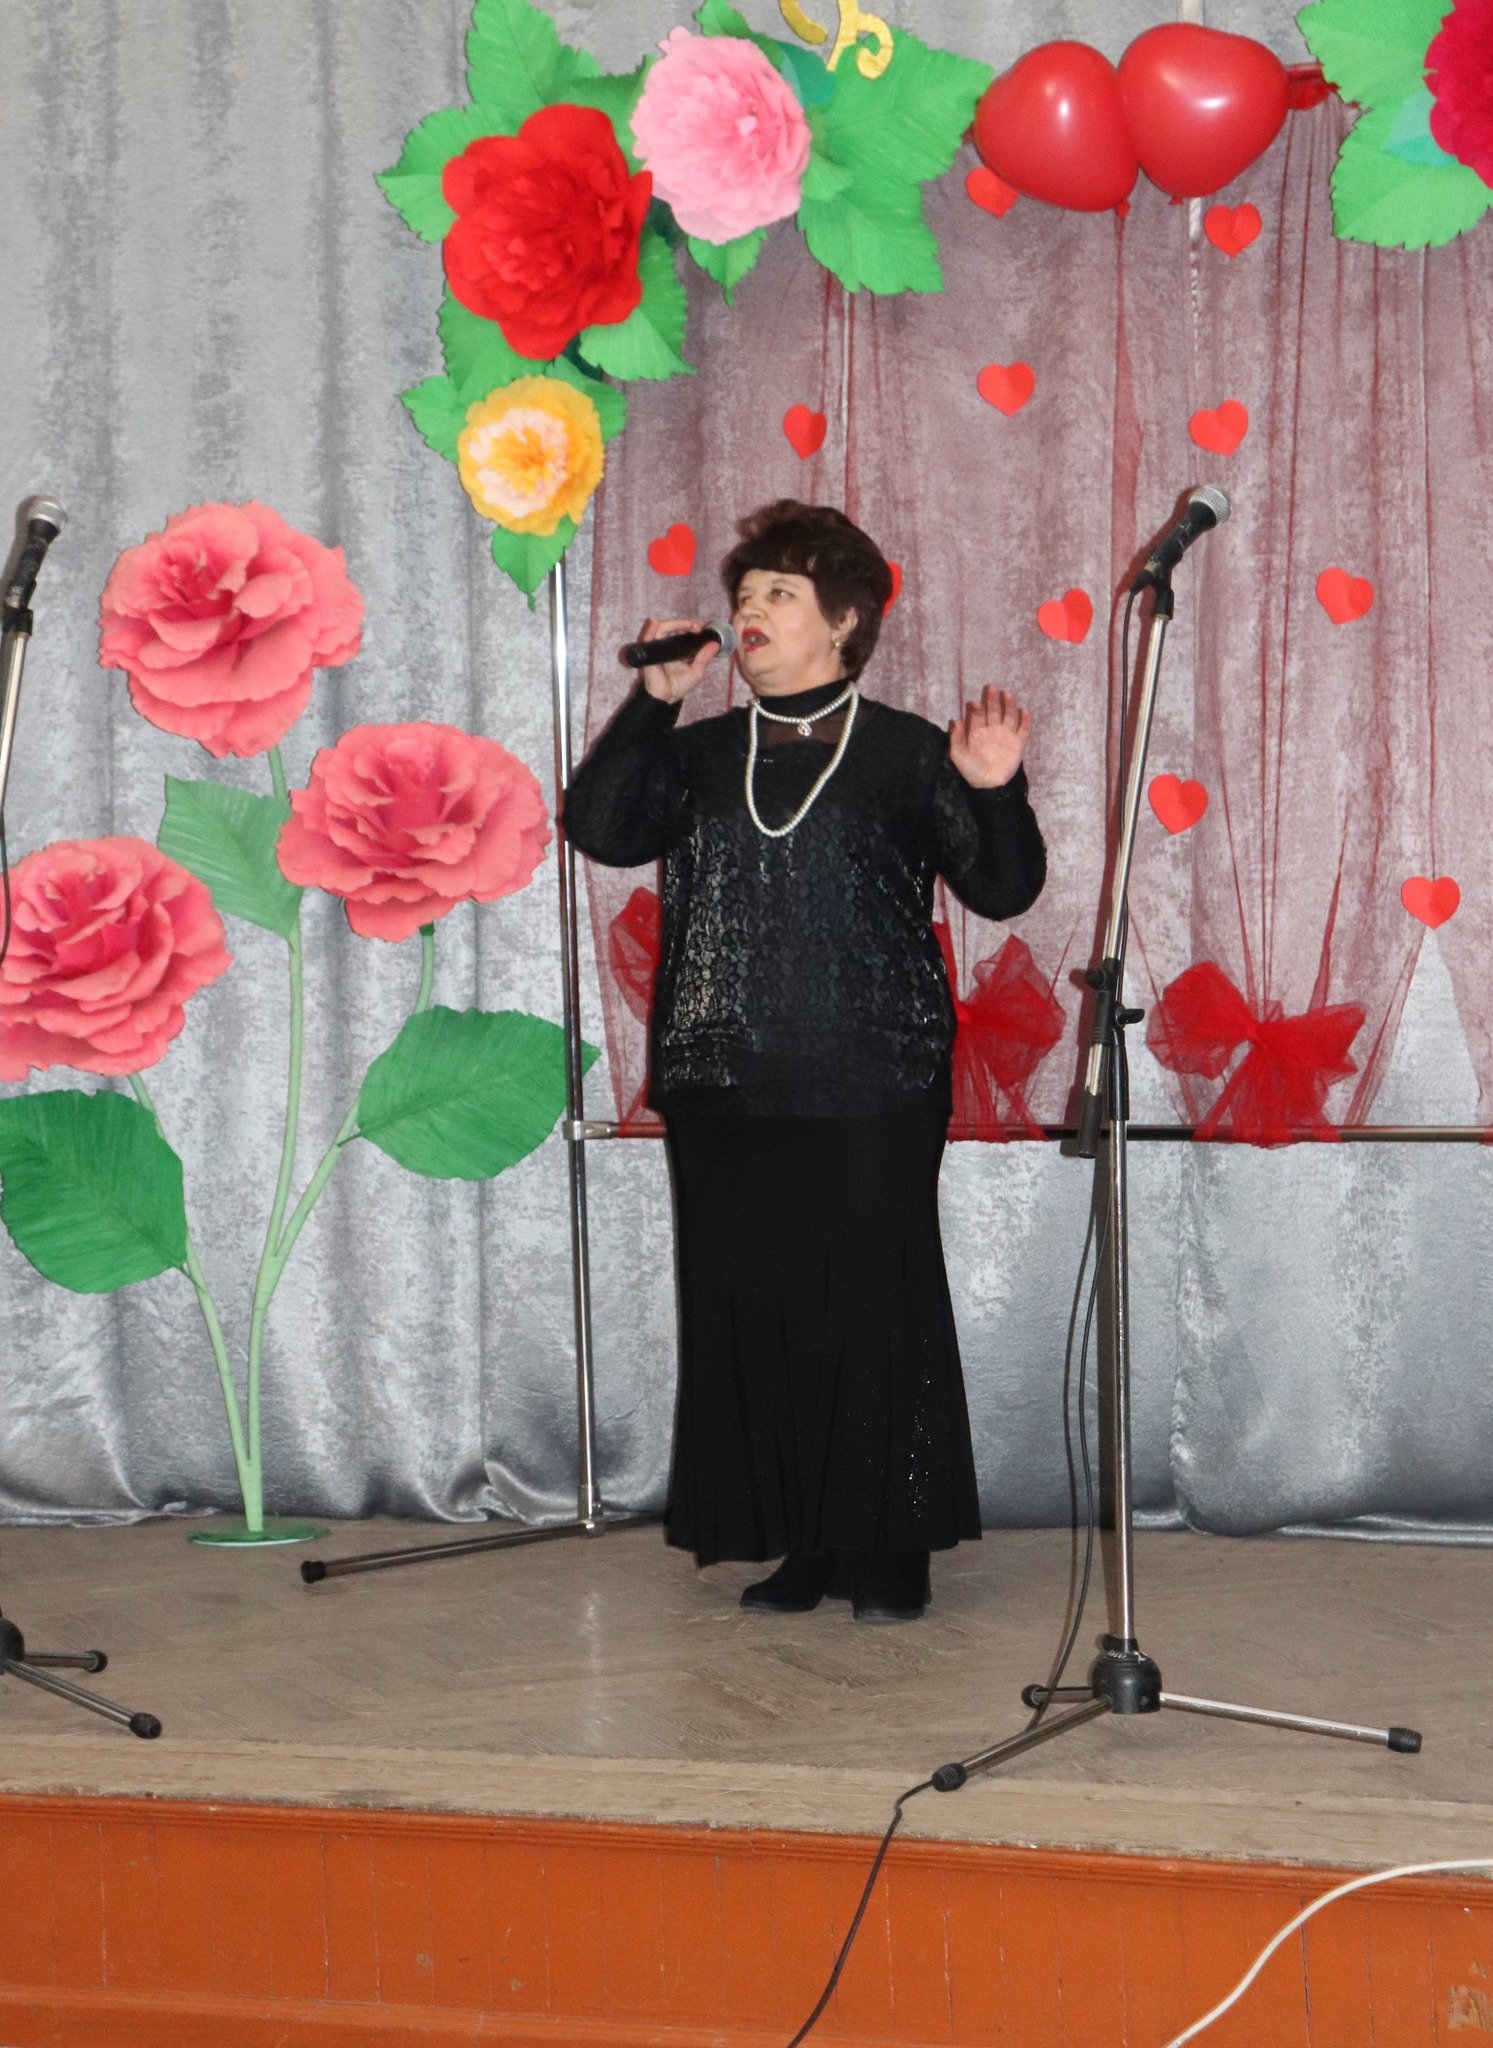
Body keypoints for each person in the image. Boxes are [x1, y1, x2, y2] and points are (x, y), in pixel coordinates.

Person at [563, 501, 1044, 1622]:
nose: (751, 610)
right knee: (756, 1308)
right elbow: (600, 826)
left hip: (872, 1077)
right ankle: (806, 1541)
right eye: (745, 595)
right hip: (723, 1078)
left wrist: (991, 786)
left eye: (779, 593)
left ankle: (891, 1547)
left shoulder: (907, 750)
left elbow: (1003, 888)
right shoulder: (693, 753)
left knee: (871, 1307)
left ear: (842, 622)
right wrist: (652, 699)